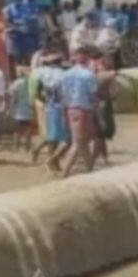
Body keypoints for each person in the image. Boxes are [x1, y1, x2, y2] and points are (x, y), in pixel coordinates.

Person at [58, 46, 99, 178]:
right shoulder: (88, 75)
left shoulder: (66, 74)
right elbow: (93, 95)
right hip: (84, 110)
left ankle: (89, 170)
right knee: (79, 143)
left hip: (70, 109)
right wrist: (96, 110)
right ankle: (65, 172)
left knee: (83, 142)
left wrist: (64, 112)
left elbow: (63, 95)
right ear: (87, 58)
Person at [93, 55, 117, 166]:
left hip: (96, 104)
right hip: (104, 105)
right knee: (101, 134)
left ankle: (105, 159)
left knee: (100, 134)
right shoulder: (108, 76)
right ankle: (92, 160)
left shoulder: (95, 75)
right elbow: (113, 94)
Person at [9, 65, 35, 151]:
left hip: (18, 109)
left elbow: (11, 95)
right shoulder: (30, 83)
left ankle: (16, 146)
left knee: (18, 129)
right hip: (28, 108)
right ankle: (27, 146)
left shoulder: (15, 83)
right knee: (28, 129)